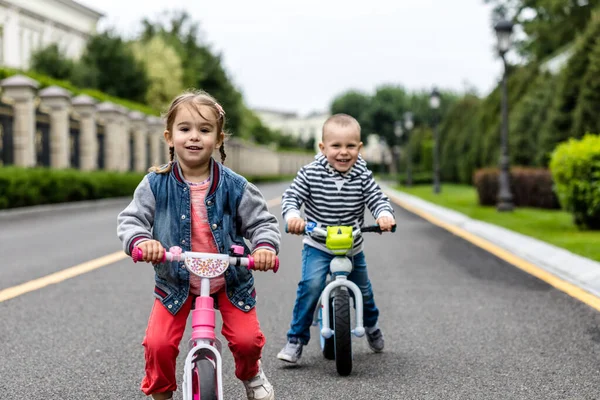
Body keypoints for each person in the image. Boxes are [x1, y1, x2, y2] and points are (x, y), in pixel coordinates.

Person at [117, 90, 280, 400]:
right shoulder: (154, 184)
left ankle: (251, 373)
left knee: (247, 341)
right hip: (176, 282)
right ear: (169, 136)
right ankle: (162, 392)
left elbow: (262, 223)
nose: (194, 137)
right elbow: (131, 220)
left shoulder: (236, 186)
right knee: (158, 344)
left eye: (204, 130)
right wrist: (142, 241)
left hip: (229, 280)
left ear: (218, 140)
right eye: (185, 129)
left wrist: (264, 248)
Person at [277, 113, 395, 364]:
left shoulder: (362, 175)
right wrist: (292, 216)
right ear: (323, 147)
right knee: (310, 285)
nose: (344, 152)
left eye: (350, 146)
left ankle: (372, 325)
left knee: (364, 291)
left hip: (352, 245)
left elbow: (377, 198)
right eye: (336, 146)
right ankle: (295, 339)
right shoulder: (310, 173)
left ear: (360, 148)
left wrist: (384, 214)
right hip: (318, 243)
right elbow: (291, 197)